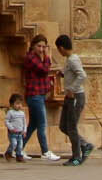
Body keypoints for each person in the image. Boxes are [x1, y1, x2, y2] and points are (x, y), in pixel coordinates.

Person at [55, 34, 92, 165]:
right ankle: (84, 144)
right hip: (70, 97)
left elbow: (82, 75)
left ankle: (76, 157)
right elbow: (71, 72)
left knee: (71, 127)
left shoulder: (73, 60)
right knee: (63, 126)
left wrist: (72, 89)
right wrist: (63, 73)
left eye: (59, 49)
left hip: (75, 96)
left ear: (61, 48)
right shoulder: (70, 59)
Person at [23, 35, 60, 161]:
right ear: (33, 46)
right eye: (39, 46)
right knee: (42, 124)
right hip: (34, 95)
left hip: (40, 95)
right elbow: (44, 70)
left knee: (33, 125)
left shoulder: (39, 58)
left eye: (44, 46)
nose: (41, 49)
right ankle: (45, 151)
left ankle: (16, 149)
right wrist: (48, 56)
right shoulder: (31, 58)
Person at [3, 93, 30, 161]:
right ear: (12, 104)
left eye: (20, 104)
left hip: (20, 133)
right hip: (12, 133)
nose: (19, 106)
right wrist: (11, 128)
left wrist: (24, 131)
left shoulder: (22, 113)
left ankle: (19, 156)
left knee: (20, 145)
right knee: (14, 144)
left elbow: (24, 123)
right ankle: (8, 152)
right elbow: (7, 121)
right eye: (17, 103)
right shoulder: (10, 112)